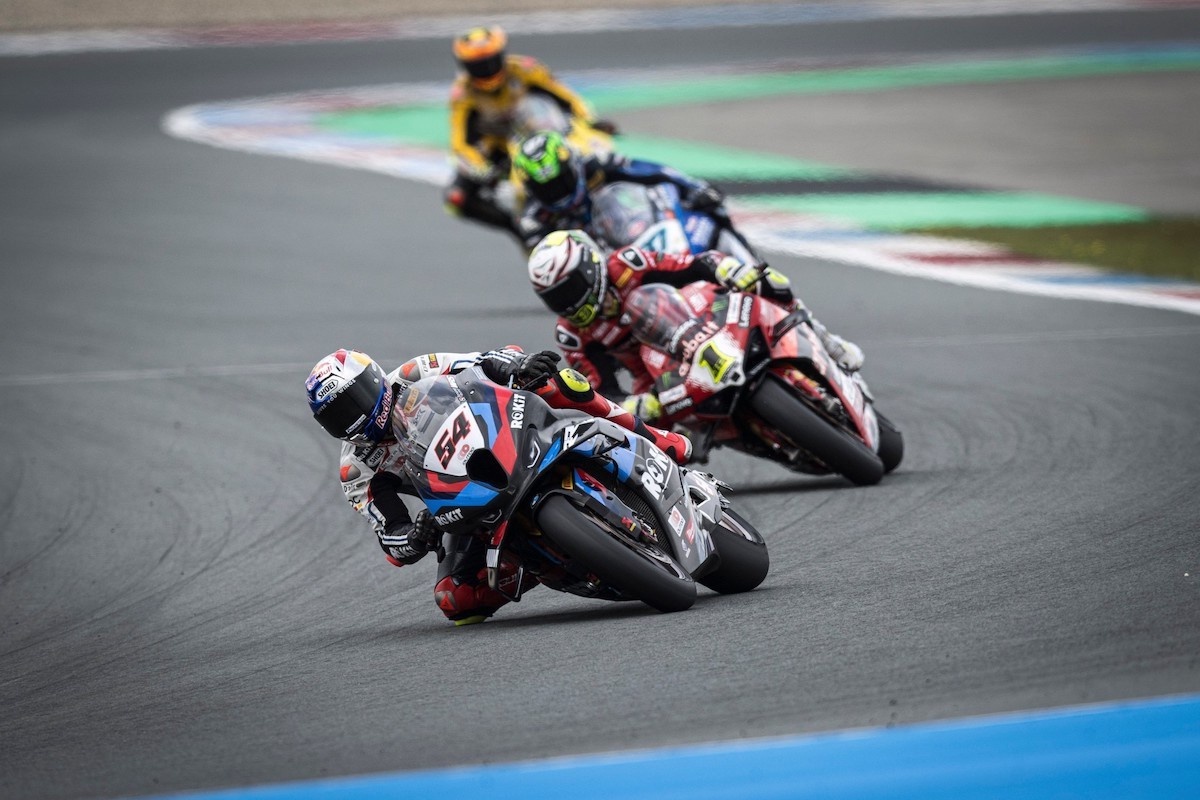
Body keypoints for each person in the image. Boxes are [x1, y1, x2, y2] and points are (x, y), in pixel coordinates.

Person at [304, 346, 691, 626]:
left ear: (374, 380)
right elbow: (391, 539)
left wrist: (518, 366)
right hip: (460, 502)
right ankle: (538, 563)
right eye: (337, 415)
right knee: (455, 599)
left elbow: (482, 361)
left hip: (500, 436)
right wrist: (417, 537)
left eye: (354, 400)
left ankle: (653, 437)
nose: (352, 417)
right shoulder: (357, 469)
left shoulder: (413, 372)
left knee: (558, 382)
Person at [527, 229, 865, 425]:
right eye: (555, 298)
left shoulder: (627, 264)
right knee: (638, 431)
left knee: (769, 281)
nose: (567, 303)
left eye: (570, 289)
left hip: (700, 318)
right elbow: (600, 391)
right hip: (657, 377)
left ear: (590, 268)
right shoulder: (572, 334)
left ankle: (825, 340)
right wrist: (632, 405)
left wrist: (729, 270)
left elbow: (692, 265)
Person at [445, 25, 616, 238]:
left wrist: (590, 121)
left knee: (594, 157)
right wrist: (483, 170)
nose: (486, 70)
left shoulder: (525, 69)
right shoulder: (462, 94)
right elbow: (461, 143)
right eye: (477, 65)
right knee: (455, 199)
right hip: (499, 151)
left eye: (490, 61)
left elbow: (567, 98)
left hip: (541, 130)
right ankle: (521, 229)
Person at [512, 129, 726, 251]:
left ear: (573, 165)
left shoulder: (596, 165)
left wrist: (693, 187)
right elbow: (546, 269)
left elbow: (650, 170)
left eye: (562, 181)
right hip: (597, 267)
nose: (557, 192)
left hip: (633, 232)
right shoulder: (534, 220)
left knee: (711, 211)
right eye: (546, 189)